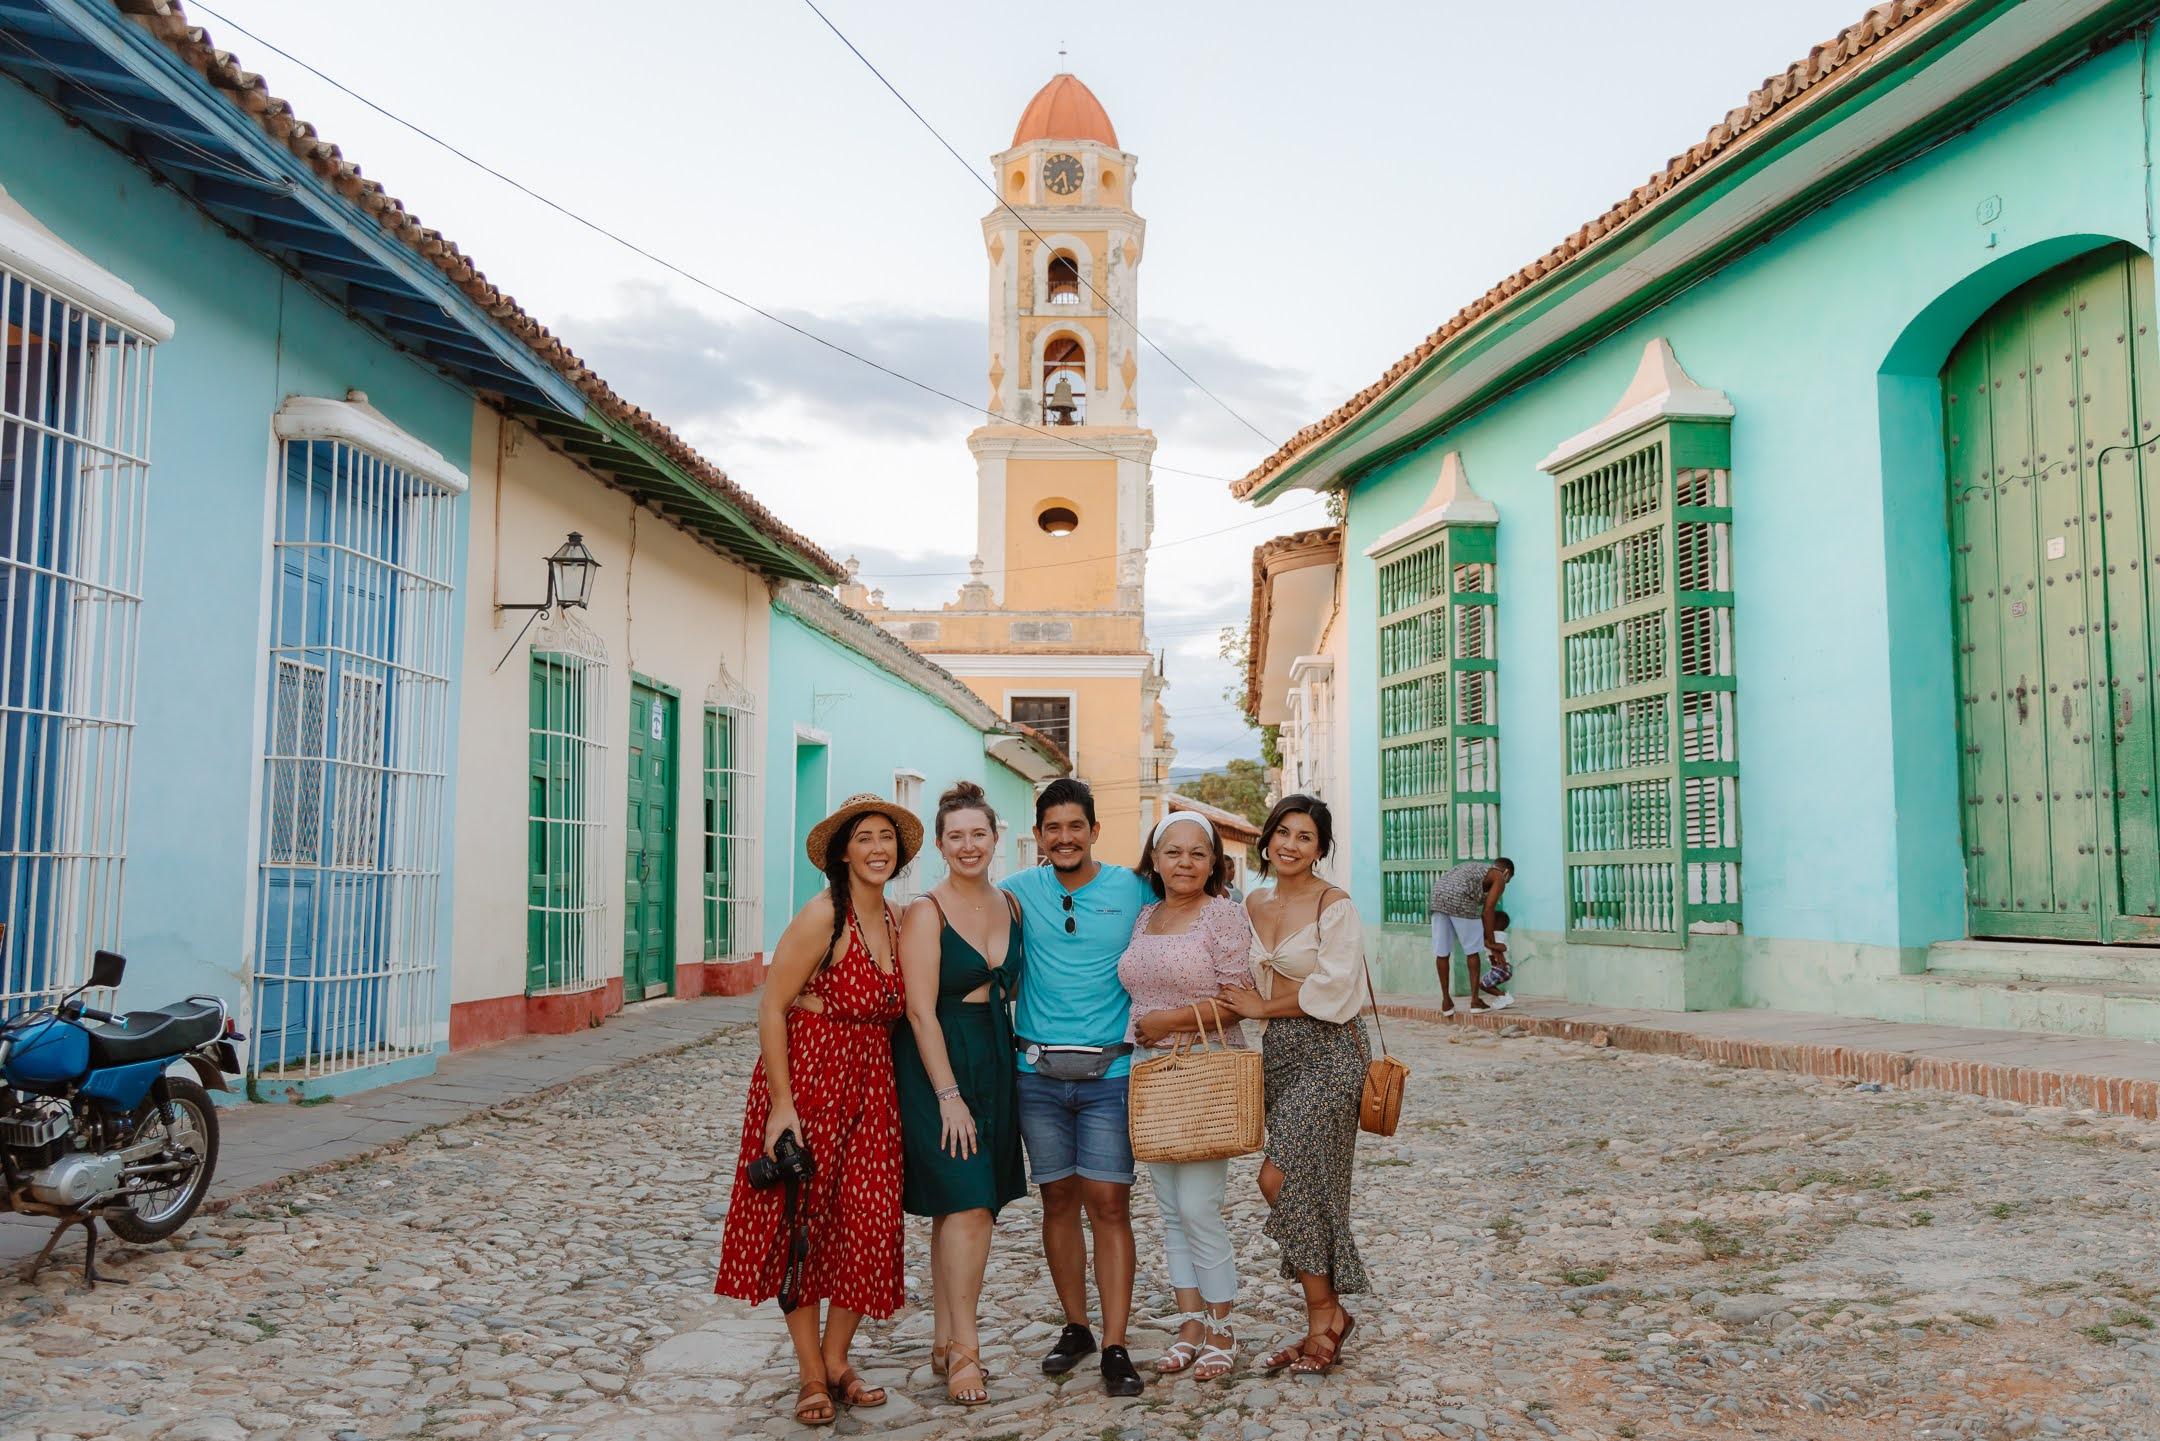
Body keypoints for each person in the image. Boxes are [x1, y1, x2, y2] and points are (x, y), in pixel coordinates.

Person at [715, 794, 919, 1427]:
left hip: (871, 1092)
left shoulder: (896, 920)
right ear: (842, 852)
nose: (878, 848)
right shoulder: (820, 916)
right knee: (800, 1225)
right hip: (808, 1086)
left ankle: (837, 1359)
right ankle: (809, 1372)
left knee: (867, 1220)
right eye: (865, 838)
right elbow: (772, 1006)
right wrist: (782, 1106)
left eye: (887, 837)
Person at [1000, 777, 1153, 1397]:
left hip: (1111, 1076)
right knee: (1057, 1200)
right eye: (1052, 828)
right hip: (1036, 1076)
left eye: (1075, 826)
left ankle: (1116, 1342)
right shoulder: (1014, 893)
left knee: (1109, 1204)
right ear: (1038, 836)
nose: (1064, 838)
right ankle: (1076, 1326)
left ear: (1094, 830)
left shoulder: (1133, 888)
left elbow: (1187, 913)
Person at [1219, 795, 1370, 1376]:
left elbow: (1335, 990)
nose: (1290, 844)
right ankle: (1325, 1316)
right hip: (1280, 1053)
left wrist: (1262, 1006)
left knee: (1277, 1174)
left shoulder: (1336, 906)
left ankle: (1325, 1311)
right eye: (1282, 832)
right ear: (1266, 839)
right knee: (1314, 1183)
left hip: (1333, 1050)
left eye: (1305, 837)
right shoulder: (1251, 902)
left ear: (1321, 849)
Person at [892, 781, 1026, 1407]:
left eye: (979, 834)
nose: (968, 845)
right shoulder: (927, 911)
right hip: (939, 1063)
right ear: (940, 845)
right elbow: (919, 1011)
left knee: (967, 1207)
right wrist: (947, 1094)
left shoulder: (1011, 905)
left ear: (996, 839)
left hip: (996, 1057)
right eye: (956, 836)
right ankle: (968, 1352)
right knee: (968, 1203)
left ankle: (945, 1339)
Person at [1119, 811, 1254, 1380]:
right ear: (1154, 859)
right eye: (1173, 852)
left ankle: (1223, 1327)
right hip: (1151, 1071)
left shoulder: (1223, 915)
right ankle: (1189, 1322)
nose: (1185, 863)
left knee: (1200, 1206)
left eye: (1198, 853)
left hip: (1205, 1068)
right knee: (1171, 1210)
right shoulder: (1147, 916)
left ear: (1214, 862)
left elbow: (1240, 997)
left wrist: (1170, 1019)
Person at [1428, 857, 1514, 1014]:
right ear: (1507, 873)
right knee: (1472, 951)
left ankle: (1446, 1002)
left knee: (1442, 952)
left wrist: (1489, 940)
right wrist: (1493, 945)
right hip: (1461, 898)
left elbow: (1483, 912)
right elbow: (1488, 911)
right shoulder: (1499, 876)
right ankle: (1475, 1001)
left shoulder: (1475, 869)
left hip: (1437, 896)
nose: (1503, 886)